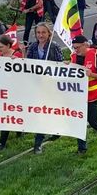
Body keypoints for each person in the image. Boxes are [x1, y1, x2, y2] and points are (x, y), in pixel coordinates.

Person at [27, 23, 66, 154]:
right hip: (37, 85)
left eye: (43, 32)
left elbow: (60, 63)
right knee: (42, 112)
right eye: (38, 32)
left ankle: (38, 142)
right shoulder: (33, 47)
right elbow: (28, 64)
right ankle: (55, 130)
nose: (41, 35)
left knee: (45, 112)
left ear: (49, 33)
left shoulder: (53, 46)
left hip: (51, 86)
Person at [71, 35, 97, 154]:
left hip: (92, 96)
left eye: (78, 47)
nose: (76, 50)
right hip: (77, 95)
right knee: (79, 121)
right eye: (74, 48)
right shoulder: (73, 57)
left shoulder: (95, 55)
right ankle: (82, 149)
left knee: (92, 121)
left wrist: (92, 75)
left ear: (85, 45)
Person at [0, 34, 24, 153]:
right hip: (2, 89)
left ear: (8, 45)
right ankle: (19, 131)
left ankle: (2, 143)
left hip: (15, 90)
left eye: (1, 47)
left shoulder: (17, 55)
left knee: (7, 115)